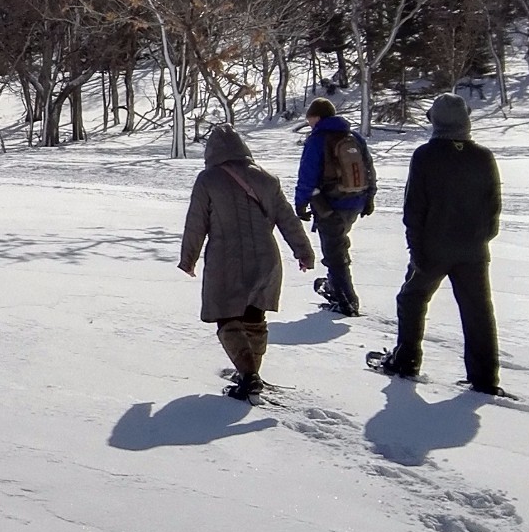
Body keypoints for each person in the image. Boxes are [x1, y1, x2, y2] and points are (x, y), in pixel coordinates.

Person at [369, 94, 504, 395]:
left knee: (411, 299)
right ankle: (485, 379)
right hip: (473, 250)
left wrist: (416, 249)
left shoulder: (426, 155)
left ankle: (406, 361)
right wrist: (481, 238)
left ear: (436, 121)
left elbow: (414, 208)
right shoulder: (483, 157)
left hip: (432, 249)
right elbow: (494, 206)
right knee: (478, 311)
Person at [179, 126, 317, 400]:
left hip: (225, 259)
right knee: (255, 316)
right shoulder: (267, 179)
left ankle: (248, 374)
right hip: (266, 258)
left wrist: (189, 258)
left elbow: (196, 222)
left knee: (227, 316)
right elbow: (287, 219)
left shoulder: (208, 179)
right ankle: (251, 373)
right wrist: (304, 252)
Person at [293, 96, 375, 315]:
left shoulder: (318, 139)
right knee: (338, 246)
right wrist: (369, 198)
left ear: (317, 117)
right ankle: (334, 288)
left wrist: (300, 204)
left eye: (310, 119)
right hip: (355, 202)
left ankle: (346, 301)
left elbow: (307, 176)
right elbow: (369, 169)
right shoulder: (353, 137)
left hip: (329, 205)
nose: (309, 123)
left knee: (334, 253)